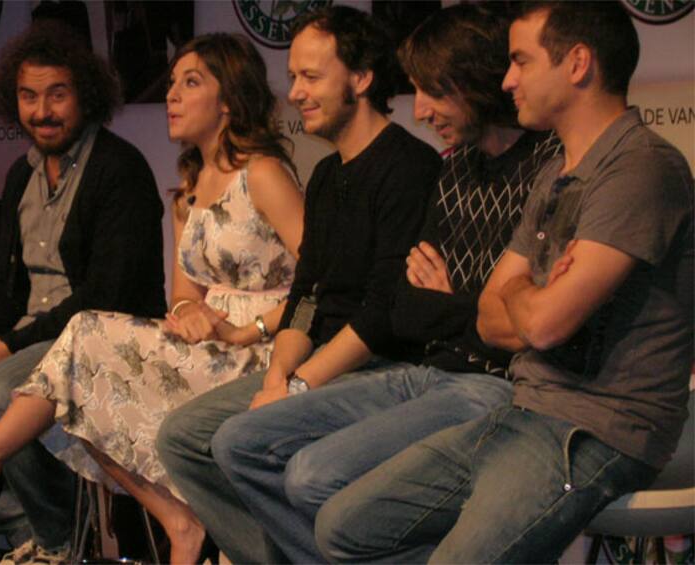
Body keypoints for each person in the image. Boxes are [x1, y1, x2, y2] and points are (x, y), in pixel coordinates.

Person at [315, 2, 694, 563]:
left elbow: (541, 325)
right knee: (341, 526)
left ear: (578, 63)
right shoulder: (556, 171)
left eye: (521, 61)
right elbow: (491, 318)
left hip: (596, 432)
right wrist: (531, 295)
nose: (508, 79)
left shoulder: (641, 166)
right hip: (524, 409)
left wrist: (525, 296)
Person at [0, 32, 304, 564]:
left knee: (81, 340)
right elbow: (182, 294)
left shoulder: (262, 173)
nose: (172, 96)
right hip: (208, 346)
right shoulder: (190, 188)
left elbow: (321, 283)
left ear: (229, 99)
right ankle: (178, 522)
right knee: (81, 382)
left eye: (190, 83)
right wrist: (187, 314)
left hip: (265, 350)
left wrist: (247, 329)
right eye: (171, 84)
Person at [209, 4, 562, 563]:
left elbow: (519, 324)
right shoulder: (442, 169)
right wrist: (281, 376)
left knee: (307, 474)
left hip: (471, 379)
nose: (419, 109)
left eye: (433, 91)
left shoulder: (527, 168)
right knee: (229, 441)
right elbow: (363, 301)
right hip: (411, 368)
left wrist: (454, 305)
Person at [156, 6, 442, 564]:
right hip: (318, 364)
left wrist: (299, 386)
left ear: (361, 78)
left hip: (382, 366)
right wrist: (279, 375)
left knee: (240, 442)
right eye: (292, 78)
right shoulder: (329, 174)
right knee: (182, 437)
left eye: (311, 77)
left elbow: (383, 311)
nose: (295, 94)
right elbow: (308, 295)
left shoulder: (409, 165)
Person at [0, 21, 166, 563]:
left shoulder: (119, 169)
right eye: (28, 96)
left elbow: (105, 295)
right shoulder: (22, 173)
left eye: (57, 95)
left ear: (86, 95)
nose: (42, 111)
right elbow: (4, 285)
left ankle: (59, 543)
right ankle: (27, 527)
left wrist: (4, 349)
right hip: (27, 341)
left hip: (96, 343)